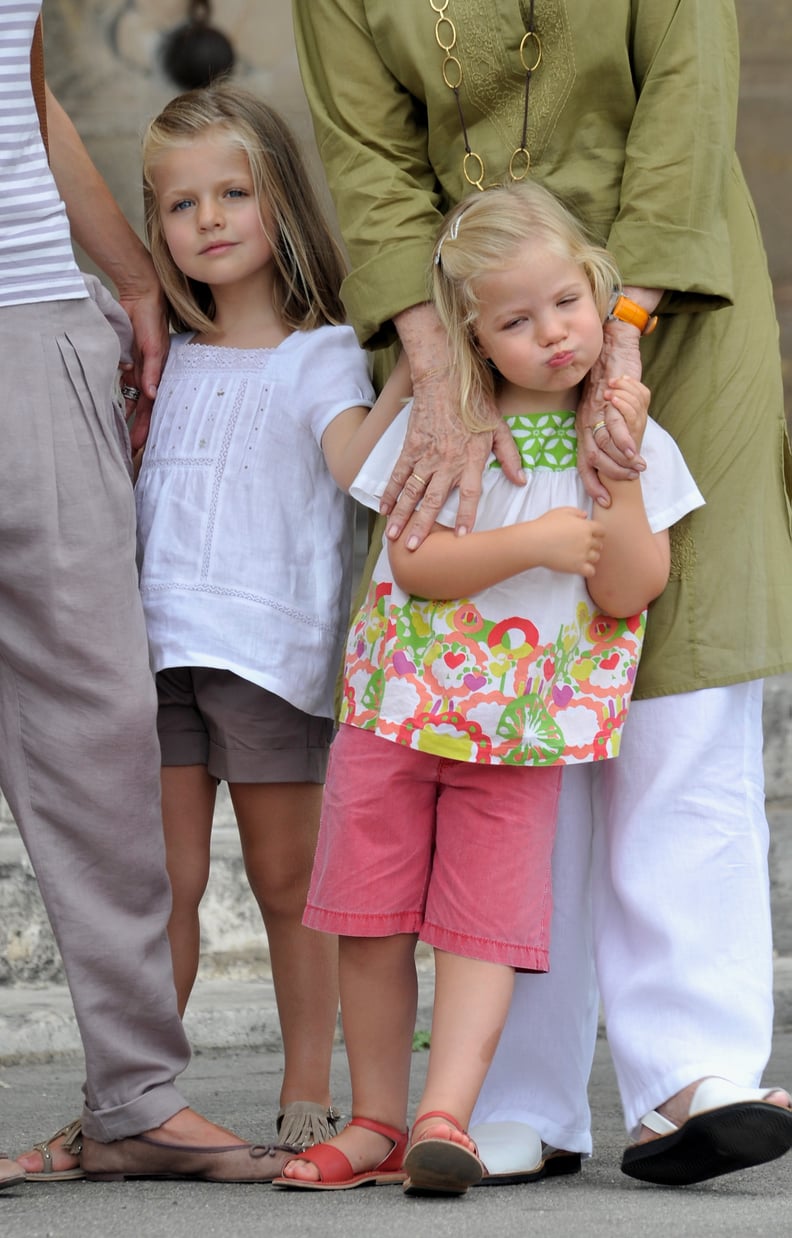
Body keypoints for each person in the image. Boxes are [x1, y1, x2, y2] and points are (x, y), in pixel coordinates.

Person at [291, 0, 792, 1186]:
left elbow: (685, 97)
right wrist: (442, 359)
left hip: (662, 297)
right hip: (475, 326)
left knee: (682, 695)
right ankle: (513, 1094)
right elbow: (368, 155)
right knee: (502, 725)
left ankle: (696, 1072)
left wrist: (619, 332)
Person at [273, 181, 703, 1196]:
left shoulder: (635, 445)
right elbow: (416, 563)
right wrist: (537, 541)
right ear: (472, 334)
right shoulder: (449, 424)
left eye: (566, 303)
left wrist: (623, 466)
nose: (553, 334)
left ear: (599, 292)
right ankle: (375, 1115)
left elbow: (634, 585)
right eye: (516, 319)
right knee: (370, 916)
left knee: (481, 927)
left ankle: (445, 1116)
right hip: (397, 709)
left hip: (522, 731)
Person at [3, 1, 301, 1184]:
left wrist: (128, 279)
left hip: (33, 310)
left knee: (100, 713)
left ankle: (133, 1095)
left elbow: (22, 86)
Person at [133, 82, 387, 1151]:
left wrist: (417, 370)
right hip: (151, 649)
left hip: (267, 654)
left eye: (233, 192)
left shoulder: (320, 355)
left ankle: (304, 1083)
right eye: (181, 204)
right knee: (160, 883)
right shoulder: (160, 354)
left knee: (290, 879)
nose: (210, 220)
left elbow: (360, 470)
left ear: (278, 197)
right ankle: (138, 1091)